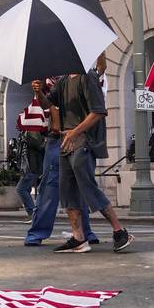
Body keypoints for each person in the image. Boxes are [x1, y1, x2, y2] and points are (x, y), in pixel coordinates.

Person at [31, 65, 134, 253]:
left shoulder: (88, 78)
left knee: (88, 188)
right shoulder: (63, 81)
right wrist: (38, 93)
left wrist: (75, 132)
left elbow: (98, 112)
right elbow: (48, 104)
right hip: (66, 142)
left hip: (83, 141)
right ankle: (78, 238)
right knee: (67, 192)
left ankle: (120, 232)